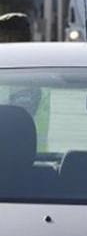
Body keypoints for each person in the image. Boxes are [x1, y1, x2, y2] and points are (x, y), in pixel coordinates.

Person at [0, 13, 50, 151]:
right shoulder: (31, 73)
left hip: (25, 162)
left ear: (9, 39)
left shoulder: (28, 80)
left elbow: (13, 125)